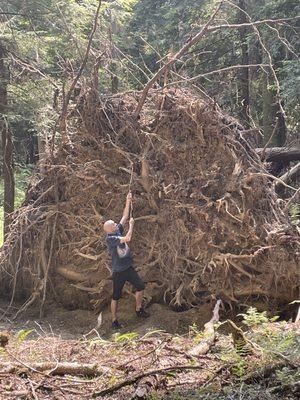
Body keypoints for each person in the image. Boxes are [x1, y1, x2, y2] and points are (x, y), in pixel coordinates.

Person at [103, 192, 149, 329]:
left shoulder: (117, 231)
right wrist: (132, 226)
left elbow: (124, 216)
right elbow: (128, 238)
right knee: (116, 297)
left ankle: (138, 309)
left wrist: (128, 200)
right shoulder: (110, 239)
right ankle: (114, 320)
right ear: (110, 229)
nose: (117, 224)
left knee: (140, 286)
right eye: (114, 225)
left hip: (128, 268)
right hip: (119, 272)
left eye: (116, 224)